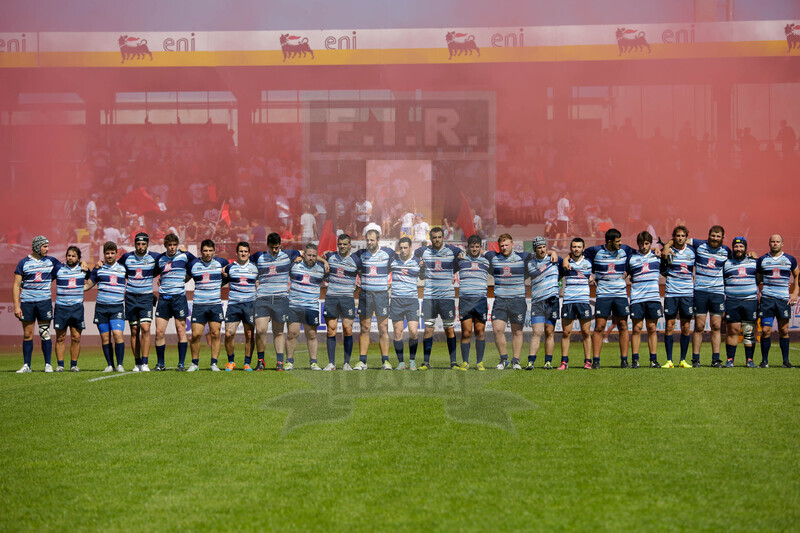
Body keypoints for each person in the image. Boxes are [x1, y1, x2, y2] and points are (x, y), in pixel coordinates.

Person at [665, 225, 733, 367]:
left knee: (716, 326)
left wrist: (751, 254)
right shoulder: (699, 244)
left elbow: (739, 258)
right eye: (713, 235)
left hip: (717, 293)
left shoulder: (726, 251)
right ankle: (695, 359)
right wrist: (666, 246)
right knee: (699, 326)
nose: (715, 238)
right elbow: (679, 240)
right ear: (708, 235)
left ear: (722, 238)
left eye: (718, 236)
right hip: (700, 292)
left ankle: (715, 359)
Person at [581, 228, 636, 368]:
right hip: (603, 294)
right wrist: (589, 274)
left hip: (620, 294)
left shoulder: (625, 249)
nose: (620, 243)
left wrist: (628, 271)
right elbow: (580, 257)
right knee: (599, 327)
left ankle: (624, 360)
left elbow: (639, 255)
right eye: (618, 241)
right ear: (610, 242)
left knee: (623, 325)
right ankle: (596, 361)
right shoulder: (595, 251)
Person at [414, 227, 463, 369]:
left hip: (447, 297)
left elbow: (461, 254)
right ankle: (426, 362)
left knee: (449, 329)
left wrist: (459, 257)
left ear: (443, 238)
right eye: (434, 237)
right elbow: (415, 254)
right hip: (429, 297)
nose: (437, 240)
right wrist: (419, 262)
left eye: (439, 237)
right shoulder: (425, 251)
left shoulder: (451, 251)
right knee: (428, 329)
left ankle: (453, 362)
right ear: (431, 238)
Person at [252, 232, 301, 371]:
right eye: (272, 247)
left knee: (278, 332)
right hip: (263, 298)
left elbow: (302, 253)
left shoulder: (288, 254)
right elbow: (243, 261)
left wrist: (299, 257)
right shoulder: (259, 256)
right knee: (260, 330)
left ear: (280, 245)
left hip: (280, 298)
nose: (274, 250)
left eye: (277, 247)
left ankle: (279, 362)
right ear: (267, 245)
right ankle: (260, 361)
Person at [13, 235, 59, 373]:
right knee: (28, 334)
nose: (47, 249)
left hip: (44, 302)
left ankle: (48, 365)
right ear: (37, 247)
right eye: (45, 246)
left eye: (47, 246)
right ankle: (27, 365)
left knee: (45, 333)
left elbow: (68, 267)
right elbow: (16, 285)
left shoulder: (52, 261)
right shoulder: (23, 263)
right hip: (27, 302)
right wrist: (16, 306)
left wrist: (83, 263)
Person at [485, 234, 531, 370]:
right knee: (497, 330)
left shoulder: (523, 257)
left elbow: (542, 254)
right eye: (502, 245)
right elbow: (479, 253)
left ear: (512, 244)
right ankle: (503, 359)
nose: (504, 247)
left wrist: (553, 253)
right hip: (500, 300)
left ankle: (516, 361)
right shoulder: (493, 258)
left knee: (517, 332)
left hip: (518, 299)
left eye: (507, 245)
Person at [352, 229, 396, 370]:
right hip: (365, 295)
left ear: (378, 240)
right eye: (368, 240)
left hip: (381, 295)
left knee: (383, 328)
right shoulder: (360, 254)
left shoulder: (388, 253)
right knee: (365, 328)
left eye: (372, 240)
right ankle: (362, 362)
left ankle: (386, 362)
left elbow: (399, 261)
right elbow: (346, 258)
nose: (370, 242)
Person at [118, 232, 160, 372]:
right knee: (134, 330)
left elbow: (166, 263)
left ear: (147, 244)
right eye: (138, 244)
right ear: (134, 244)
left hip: (146, 297)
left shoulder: (154, 257)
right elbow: (116, 268)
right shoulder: (127, 257)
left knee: (145, 328)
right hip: (130, 297)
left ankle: (145, 363)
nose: (141, 246)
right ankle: (137, 363)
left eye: (143, 244)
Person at [154, 233, 196, 371]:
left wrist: (186, 278)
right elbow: (154, 273)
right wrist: (160, 279)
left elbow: (197, 264)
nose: (172, 247)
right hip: (164, 298)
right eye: (170, 245)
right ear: (165, 245)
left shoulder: (184, 256)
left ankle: (181, 364)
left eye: (174, 245)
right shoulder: (160, 259)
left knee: (181, 330)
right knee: (159, 332)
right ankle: (160, 364)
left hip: (179, 297)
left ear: (177, 245)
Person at [756, 234, 799, 368]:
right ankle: (764, 361)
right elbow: (758, 278)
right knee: (765, 331)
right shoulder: (762, 259)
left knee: (784, 330)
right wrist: (760, 290)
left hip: (783, 300)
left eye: (777, 242)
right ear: (769, 243)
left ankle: (786, 361)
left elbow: (797, 275)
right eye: (773, 241)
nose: (775, 244)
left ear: (782, 244)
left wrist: (795, 293)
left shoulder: (790, 259)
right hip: (767, 300)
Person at [186, 239, 229, 371]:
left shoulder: (221, 263)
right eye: (205, 250)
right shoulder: (193, 264)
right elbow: (185, 278)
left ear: (214, 251)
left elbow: (229, 276)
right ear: (201, 251)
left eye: (210, 251)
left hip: (215, 304)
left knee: (215, 334)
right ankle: (194, 364)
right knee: (196, 335)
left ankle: (214, 363)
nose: (208, 253)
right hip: (199, 304)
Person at [85, 241, 128, 372]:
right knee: (105, 338)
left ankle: (120, 365)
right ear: (104, 254)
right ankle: (110, 365)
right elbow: (87, 285)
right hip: (101, 309)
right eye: (107, 253)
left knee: (117, 335)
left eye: (112, 253)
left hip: (117, 308)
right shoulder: (98, 269)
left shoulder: (123, 268)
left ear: (116, 254)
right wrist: (72, 288)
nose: (110, 256)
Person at [285, 243, 327, 370]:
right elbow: (285, 253)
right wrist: (297, 255)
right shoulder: (294, 265)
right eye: (309, 255)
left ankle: (313, 362)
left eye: (314, 256)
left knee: (312, 335)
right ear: (304, 255)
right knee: (292, 333)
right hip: (294, 305)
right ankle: (289, 362)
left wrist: (324, 261)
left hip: (311, 307)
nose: (311, 258)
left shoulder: (321, 269)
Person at [323, 234, 361, 371]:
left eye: (345, 244)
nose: (342, 246)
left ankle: (346, 363)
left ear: (350, 245)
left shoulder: (356, 260)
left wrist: (358, 285)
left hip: (347, 298)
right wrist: (324, 260)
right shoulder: (330, 256)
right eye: (340, 244)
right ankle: (331, 363)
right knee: (331, 329)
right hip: (332, 297)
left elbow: (363, 274)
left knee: (348, 329)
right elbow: (317, 257)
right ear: (337, 244)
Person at [626, 231, 663, 368]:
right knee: (637, 329)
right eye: (641, 243)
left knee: (652, 328)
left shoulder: (657, 256)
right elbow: (625, 274)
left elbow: (669, 250)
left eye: (647, 243)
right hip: (637, 298)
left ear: (650, 244)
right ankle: (635, 360)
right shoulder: (631, 258)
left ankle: (653, 360)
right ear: (638, 244)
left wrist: (657, 249)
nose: (644, 246)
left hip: (653, 297)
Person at [454, 234, 491, 370]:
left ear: (481, 247)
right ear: (467, 247)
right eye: (472, 247)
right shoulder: (461, 260)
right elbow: (450, 266)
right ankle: (465, 362)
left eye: (476, 247)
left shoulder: (486, 261)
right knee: (466, 332)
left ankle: (479, 362)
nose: (474, 249)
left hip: (480, 300)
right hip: (465, 300)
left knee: (480, 331)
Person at [660, 225, 695, 368]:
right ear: (673, 237)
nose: (680, 238)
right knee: (669, 326)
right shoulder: (668, 250)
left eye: (682, 236)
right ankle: (669, 361)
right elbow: (662, 268)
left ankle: (682, 360)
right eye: (678, 235)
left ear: (686, 237)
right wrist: (666, 247)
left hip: (687, 294)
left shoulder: (692, 252)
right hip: (671, 293)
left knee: (686, 327)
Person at [722, 237, 758, 367]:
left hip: (750, 301)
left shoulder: (755, 262)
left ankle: (750, 360)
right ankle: (730, 359)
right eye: (736, 247)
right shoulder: (726, 263)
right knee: (733, 331)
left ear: (745, 248)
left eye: (741, 246)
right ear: (733, 248)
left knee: (749, 331)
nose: (738, 249)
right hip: (732, 301)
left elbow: (762, 279)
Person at [223, 241, 258, 371]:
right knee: (228, 334)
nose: (243, 253)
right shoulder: (230, 268)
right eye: (241, 251)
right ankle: (231, 362)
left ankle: (247, 363)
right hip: (234, 304)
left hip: (250, 304)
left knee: (249, 335)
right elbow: (221, 280)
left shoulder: (255, 268)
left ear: (249, 253)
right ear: (236, 253)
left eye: (245, 251)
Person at [559, 237, 594, 370]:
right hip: (568, 300)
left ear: (583, 248)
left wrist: (592, 277)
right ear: (571, 248)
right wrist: (566, 258)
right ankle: (564, 362)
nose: (576, 249)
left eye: (579, 247)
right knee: (566, 333)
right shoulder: (565, 263)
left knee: (586, 332)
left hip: (583, 301)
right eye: (574, 247)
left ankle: (588, 361)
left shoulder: (589, 262)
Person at [53, 246, 90, 372]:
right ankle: (60, 365)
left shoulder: (83, 269)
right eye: (69, 255)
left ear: (78, 258)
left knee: (76, 337)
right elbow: (46, 278)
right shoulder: (58, 268)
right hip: (61, 307)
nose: (70, 258)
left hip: (77, 308)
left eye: (73, 256)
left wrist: (86, 264)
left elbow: (95, 277)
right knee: (60, 337)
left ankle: (74, 365)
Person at [526, 236, 560, 370]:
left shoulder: (556, 260)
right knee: (537, 332)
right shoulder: (531, 264)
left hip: (552, 301)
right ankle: (531, 362)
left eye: (544, 247)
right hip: (537, 301)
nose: (542, 250)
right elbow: (535, 274)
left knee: (550, 332)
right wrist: (553, 254)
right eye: (539, 247)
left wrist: (554, 253)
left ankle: (548, 362)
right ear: (535, 249)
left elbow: (569, 261)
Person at [389, 237, 423, 370]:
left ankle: (412, 361)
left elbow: (424, 275)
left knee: (413, 332)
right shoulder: (393, 261)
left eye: (405, 248)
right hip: (396, 301)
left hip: (412, 301)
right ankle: (401, 363)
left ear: (410, 248)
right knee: (398, 333)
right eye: (401, 248)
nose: (403, 250)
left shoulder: (417, 262)